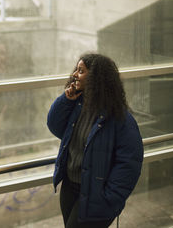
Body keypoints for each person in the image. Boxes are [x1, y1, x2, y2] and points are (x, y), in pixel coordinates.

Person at [47, 53, 144, 228]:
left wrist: (110, 199)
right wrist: (65, 100)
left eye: (81, 71)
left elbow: (129, 163)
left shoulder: (120, 118)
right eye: (76, 70)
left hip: (96, 195)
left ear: (96, 78)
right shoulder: (77, 105)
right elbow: (55, 126)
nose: (75, 74)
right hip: (70, 187)